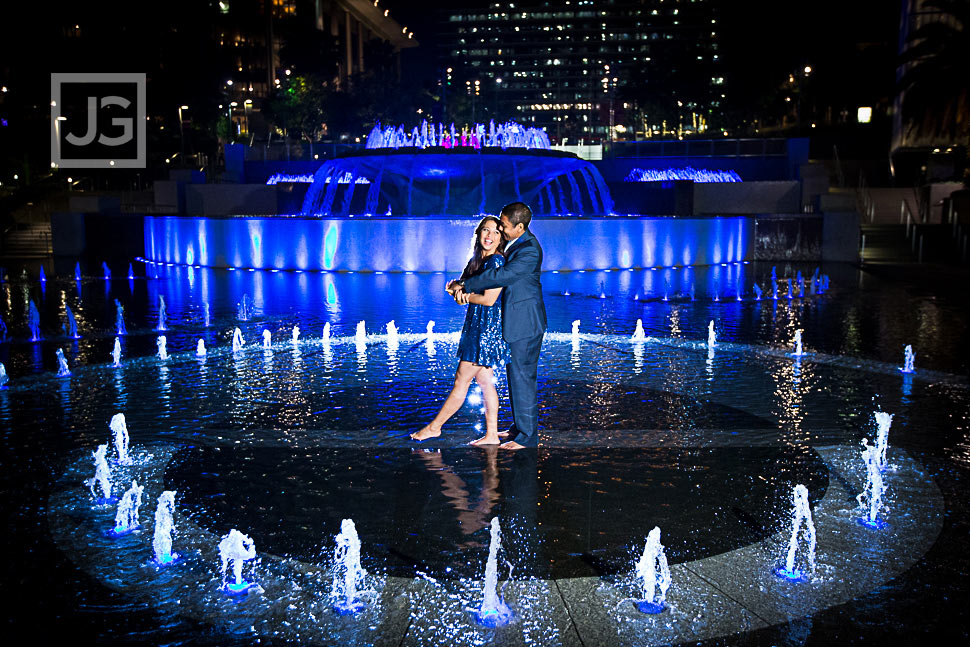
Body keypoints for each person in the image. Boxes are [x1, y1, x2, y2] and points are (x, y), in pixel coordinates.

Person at [449, 202, 546, 450]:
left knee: (523, 378)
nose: (500, 230)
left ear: (519, 227)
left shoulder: (530, 250)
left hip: (526, 323)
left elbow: (501, 277)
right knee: (517, 378)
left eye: (503, 226)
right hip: (517, 322)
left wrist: (466, 286)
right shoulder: (517, 244)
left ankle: (527, 438)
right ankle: (519, 427)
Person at [411, 216, 509, 445]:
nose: (489, 236)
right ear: (478, 233)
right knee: (486, 381)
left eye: (495, 232)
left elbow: (489, 299)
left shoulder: (496, 262)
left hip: (485, 330)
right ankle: (492, 435)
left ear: (501, 238)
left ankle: (434, 428)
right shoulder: (479, 261)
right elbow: (463, 289)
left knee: (461, 381)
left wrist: (464, 295)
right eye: (485, 230)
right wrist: (459, 290)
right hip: (478, 327)